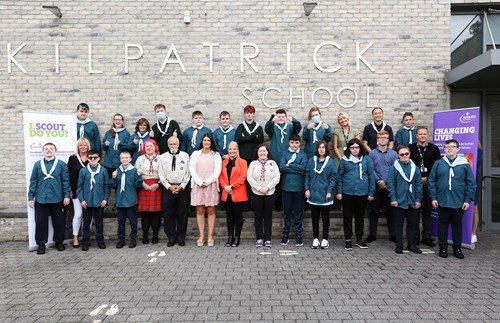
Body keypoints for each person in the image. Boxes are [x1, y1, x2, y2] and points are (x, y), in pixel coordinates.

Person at [428, 139, 476, 259]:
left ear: (457, 149)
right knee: (442, 224)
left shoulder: (464, 164)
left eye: (452, 146)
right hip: (442, 200)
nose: (449, 148)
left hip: (458, 201)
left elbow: (471, 183)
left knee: (457, 225)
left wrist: (467, 200)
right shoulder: (438, 163)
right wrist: (433, 197)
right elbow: (432, 181)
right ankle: (443, 247)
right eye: (447, 146)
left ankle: (457, 248)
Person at [28, 143, 71, 255]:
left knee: (59, 222)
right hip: (41, 198)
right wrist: (30, 197)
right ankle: (41, 244)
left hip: (57, 198)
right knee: (41, 223)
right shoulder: (38, 165)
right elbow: (33, 181)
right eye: (46, 149)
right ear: (43, 151)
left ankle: (59, 242)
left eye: (51, 149)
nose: (49, 151)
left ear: (55, 151)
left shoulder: (61, 165)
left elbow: (65, 181)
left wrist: (66, 195)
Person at [336, 138, 375, 250]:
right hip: (347, 192)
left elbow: (371, 176)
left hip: (362, 192)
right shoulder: (344, 160)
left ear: (360, 148)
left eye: (357, 147)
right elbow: (340, 177)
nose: (354, 150)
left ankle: (359, 239)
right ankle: (348, 239)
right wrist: (339, 192)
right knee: (347, 217)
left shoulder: (366, 159)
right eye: (352, 147)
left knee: (360, 217)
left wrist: (371, 192)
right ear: (349, 149)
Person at [409, 126, 441, 247]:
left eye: (424, 134)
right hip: (415, 184)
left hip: (429, 183)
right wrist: (418, 178)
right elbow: (408, 165)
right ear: (416, 136)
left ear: (427, 135)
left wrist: (428, 178)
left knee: (427, 211)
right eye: (420, 134)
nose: (422, 136)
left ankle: (426, 236)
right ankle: (415, 236)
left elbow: (437, 165)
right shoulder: (411, 148)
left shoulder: (434, 148)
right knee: (415, 211)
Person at [387, 145, 423, 254]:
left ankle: (411, 244)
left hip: (412, 201)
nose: (404, 156)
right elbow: (391, 184)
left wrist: (418, 199)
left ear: (409, 154)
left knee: (412, 224)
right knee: (398, 224)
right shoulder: (394, 168)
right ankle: (399, 245)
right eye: (402, 154)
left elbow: (418, 184)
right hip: (399, 201)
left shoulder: (415, 168)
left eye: (406, 154)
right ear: (398, 155)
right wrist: (393, 198)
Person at [265, 108, 302, 211]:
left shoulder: (289, 127)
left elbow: (298, 128)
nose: (281, 118)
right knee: (275, 182)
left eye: (283, 116)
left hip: (287, 159)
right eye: (279, 116)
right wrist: (272, 119)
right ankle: (277, 204)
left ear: (286, 118)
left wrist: (293, 119)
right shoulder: (273, 128)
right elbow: (267, 129)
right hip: (275, 158)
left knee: (286, 182)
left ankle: (287, 204)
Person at [189, 133, 222, 247]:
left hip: (211, 185)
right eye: (205, 140)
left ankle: (210, 236)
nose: (206, 142)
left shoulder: (216, 155)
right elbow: (191, 169)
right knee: (200, 210)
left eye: (208, 140)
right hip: (198, 185)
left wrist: (207, 182)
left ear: (211, 142)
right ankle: (201, 235)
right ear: (202, 142)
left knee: (211, 210)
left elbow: (217, 171)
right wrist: (199, 181)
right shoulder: (195, 154)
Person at [366, 130, 398, 244]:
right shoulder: (372, 153)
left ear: (388, 139)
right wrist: (379, 180)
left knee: (391, 211)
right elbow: (371, 169)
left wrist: (386, 182)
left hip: (389, 186)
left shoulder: (393, 154)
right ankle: (372, 234)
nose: (383, 139)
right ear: (377, 139)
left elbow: (394, 170)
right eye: (380, 137)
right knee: (374, 211)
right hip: (376, 186)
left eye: (385, 137)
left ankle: (393, 234)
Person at [159, 136, 191, 247]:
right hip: (168, 188)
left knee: (182, 214)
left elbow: (188, 173)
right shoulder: (162, 157)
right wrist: (169, 186)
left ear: (178, 144)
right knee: (168, 214)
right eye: (171, 144)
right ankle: (171, 238)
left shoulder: (185, 156)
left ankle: (181, 238)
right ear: (168, 145)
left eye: (175, 144)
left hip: (182, 188)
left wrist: (181, 186)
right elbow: (161, 174)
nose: (173, 146)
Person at [305, 140, 337, 249]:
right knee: (314, 218)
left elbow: (333, 178)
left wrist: (329, 191)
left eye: (323, 147)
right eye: (319, 147)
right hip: (313, 194)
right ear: (317, 149)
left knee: (325, 218)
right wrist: (307, 189)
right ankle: (315, 239)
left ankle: (325, 239)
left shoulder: (331, 162)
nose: (321, 149)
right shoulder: (311, 161)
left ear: (326, 149)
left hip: (325, 195)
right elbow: (307, 176)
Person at [247, 144, 280, 248]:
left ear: (267, 152)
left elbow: (277, 177)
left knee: (268, 216)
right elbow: (249, 177)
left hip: (269, 193)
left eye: (264, 151)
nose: (262, 153)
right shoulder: (253, 163)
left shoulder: (272, 163)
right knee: (258, 216)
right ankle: (259, 238)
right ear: (257, 153)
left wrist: (268, 187)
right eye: (260, 151)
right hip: (257, 193)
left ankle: (268, 238)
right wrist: (259, 188)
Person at [76, 150, 110, 251]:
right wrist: (82, 200)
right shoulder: (83, 171)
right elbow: (80, 187)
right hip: (87, 202)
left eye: (95, 157)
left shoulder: (103, 171)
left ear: (99, 158)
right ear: (87, 159)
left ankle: (100, 241)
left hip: (99, 202)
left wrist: (105, 199)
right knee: (86, 223)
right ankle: (85, 242)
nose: (93, 159)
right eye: (90, 158)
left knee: (99, 223)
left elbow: (106, 186)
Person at [279, 134, 308, 246]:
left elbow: (304, 168)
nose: (294, 145)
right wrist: (296, 168)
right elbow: (282, 167)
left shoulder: (303, 155)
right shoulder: (284, 154)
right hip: (286, 187)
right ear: (289, 143)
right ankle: (285, 234)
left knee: (298, 212)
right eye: (292, 142)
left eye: (296, 143)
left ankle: (299, 235)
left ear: (299, 143)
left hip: (299, 187)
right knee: (286, 212)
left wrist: (289, 166)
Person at [111, 151, 143, 249]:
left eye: (127, 157)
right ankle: (121, 240)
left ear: (130, 159)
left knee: (133, 222)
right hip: (120, 201)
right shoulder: (117, 171)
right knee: (121, 222)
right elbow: (113, 185)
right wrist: (114, 178)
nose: (125, 159)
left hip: (131, 201)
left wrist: (138, 176)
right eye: (123, 158)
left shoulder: (134, 171)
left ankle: (133, 238)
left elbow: (138, 185)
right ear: (120, 160)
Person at [235, 104, 264, 210]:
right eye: (247, 113)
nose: (249, 115)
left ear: (254, 114)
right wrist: (253, 137)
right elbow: (238, 139)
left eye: (251, 113)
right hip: (243, 158)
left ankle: (254, 202)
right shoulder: (241, 126)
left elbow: (260, 140)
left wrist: (245, 137)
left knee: (255, 179)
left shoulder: (258, 126)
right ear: (245, 114)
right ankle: (246, 203)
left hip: (255, 158)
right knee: (245, 180)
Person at [219, 142, 248, 247]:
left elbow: (243, 177)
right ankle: (230, 236)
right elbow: (220, 176)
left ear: (237, 150)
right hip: (226, 193)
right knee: (229, 216)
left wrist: (231, 186)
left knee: (238, 216)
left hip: (238, 193)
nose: (232, 151)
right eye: (230, 149)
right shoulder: (223, 162)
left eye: (234, 149)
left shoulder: (243, 162)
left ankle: (237, 236)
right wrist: (225, 187)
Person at [135, 139, 162, 245]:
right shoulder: (140, 159)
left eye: (151, 146)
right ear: (144, 148)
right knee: (145, 214)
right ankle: (145, 236)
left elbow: (164, 173)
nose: (149, 148)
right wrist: (143, 184)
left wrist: (158, 184)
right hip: (144, 185)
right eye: (147, 146)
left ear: (155, 147)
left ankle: (155, 236)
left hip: (157, 185)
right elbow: (136, 173)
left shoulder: (161, 158)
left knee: (156, 214)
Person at [67, 138, 91, 248]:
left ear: (88, 146)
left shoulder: (92, 157)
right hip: (77, 191)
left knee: (88, 216)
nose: (83, 147)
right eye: (81, 145)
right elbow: (69, 176)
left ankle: (87, 236)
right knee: (78, 214)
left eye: (85, 145)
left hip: (90, 191)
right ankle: (75, 237)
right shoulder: (72, 159)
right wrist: (70, 190)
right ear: (78, 146)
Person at [102, 113, 130, 179]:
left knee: (119, 182)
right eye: (116, 119)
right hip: (108, 163)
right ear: (113, 121)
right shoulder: (108, 133)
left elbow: (128, 149)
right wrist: (105, 145)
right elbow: (103, 148)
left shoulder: (126, 133)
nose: (118, 121)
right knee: (107, 182)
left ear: (122, 121)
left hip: (120, 163)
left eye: (119, 119)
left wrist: (121, 144)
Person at [472, 143, 483, 243]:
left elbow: (476, 163)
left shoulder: (478, 150)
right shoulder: (457, 147)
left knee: (474, 208)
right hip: (459, 180)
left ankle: (473, 233)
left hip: (473, 180)